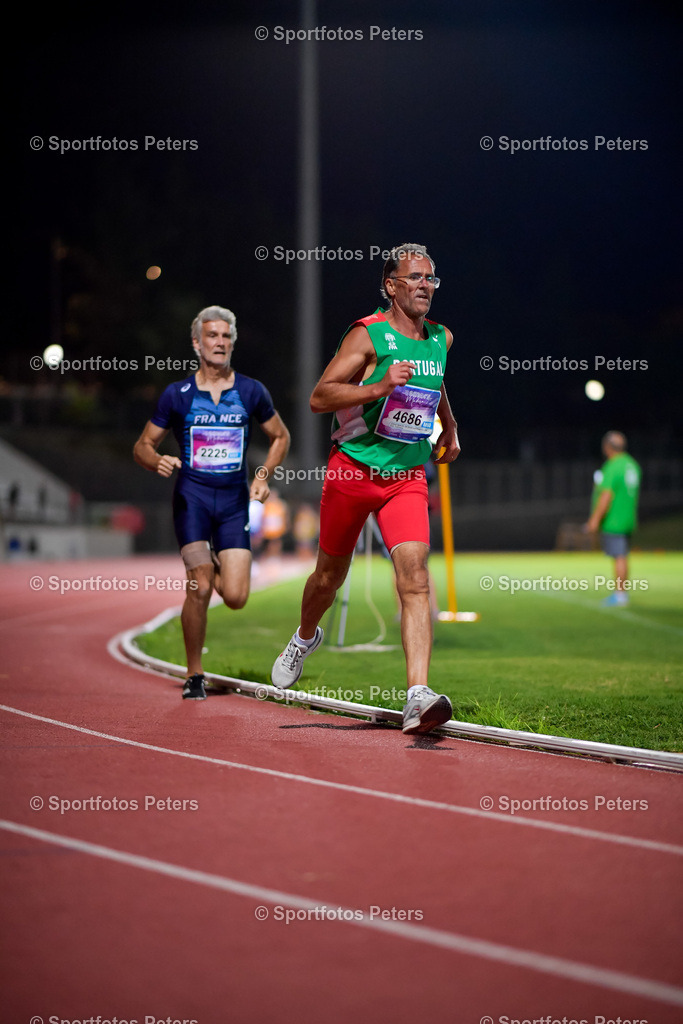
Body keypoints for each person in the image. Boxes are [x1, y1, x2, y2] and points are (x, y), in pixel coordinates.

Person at [271, 243, 460, 734]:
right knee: (328, 578)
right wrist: (379, 387)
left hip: (406, 475)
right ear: (392, 286)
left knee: (415, 576)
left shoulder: (441, 337)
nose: (425, 285)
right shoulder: (368, 335)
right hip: (354, 470)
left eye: (431, 278)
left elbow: (435, 385)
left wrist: (451, 427)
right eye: (415, 277)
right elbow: (319, 396)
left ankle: (417, 694)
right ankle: (305, 636)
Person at [134, 305, 290, 699]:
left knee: (235, 597)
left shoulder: (252, 391)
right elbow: (141, 446)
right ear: (196, 343)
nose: (219, 343)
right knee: (199, 587)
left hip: (234, 502)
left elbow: (280, 437)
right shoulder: (177, 395)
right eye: (212, 336)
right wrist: (157, 460)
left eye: (225, 336)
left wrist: (263, 475)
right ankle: (194, 673)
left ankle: (214, 561)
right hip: (193, 499)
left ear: (232, 342)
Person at [585, 430, 641, 606]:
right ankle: (621, 592)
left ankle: (620, 594)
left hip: (614, 520)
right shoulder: (632, 465)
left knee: (619, 556)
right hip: (628, 518)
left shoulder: (613, 466)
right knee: (622, 555)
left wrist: (594, 519)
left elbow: (606, 496)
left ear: (607, 447)